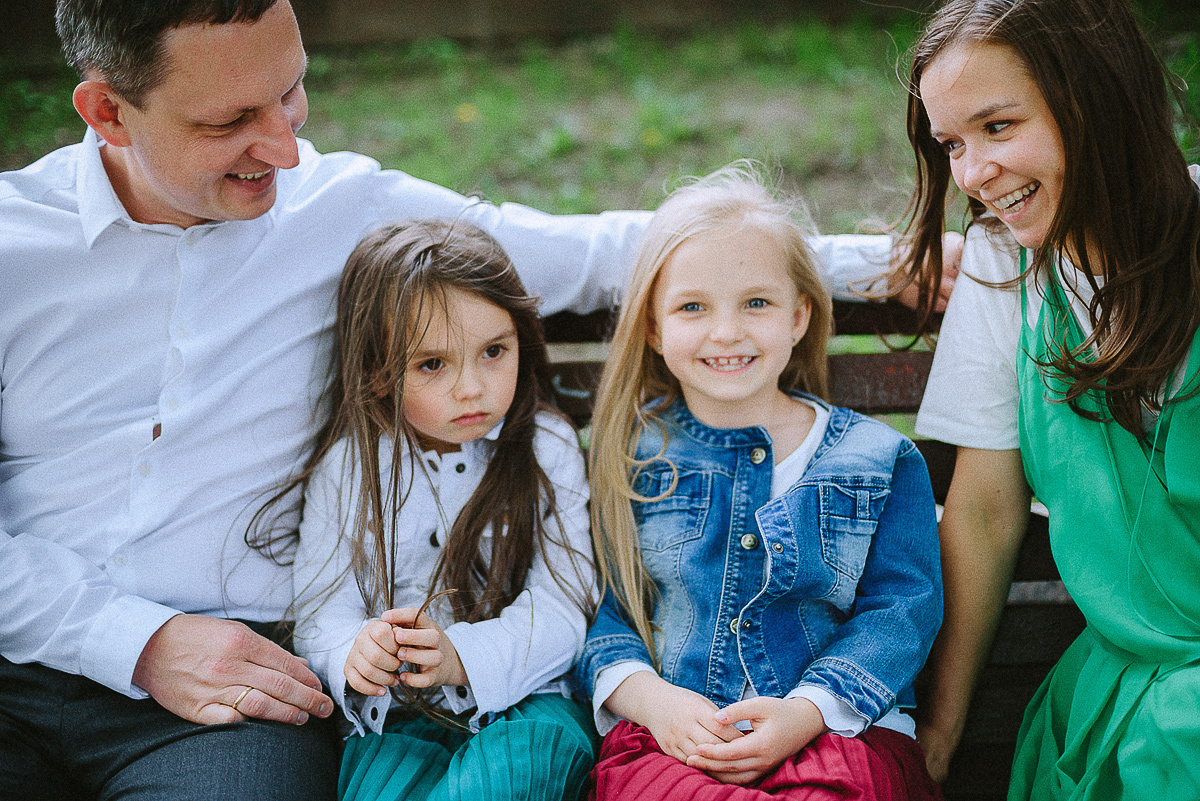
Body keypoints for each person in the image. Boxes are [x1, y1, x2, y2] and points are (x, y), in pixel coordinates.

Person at [0, 1, 956, 796]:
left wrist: (883, 264)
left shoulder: (344, 209)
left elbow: (600, 249)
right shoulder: (14, 252)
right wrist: (137, 640)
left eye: (290, 93)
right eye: (229, 123)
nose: (285, 150)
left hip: (244, 691)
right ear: (107, 111)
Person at [898, 0, 1200, 795]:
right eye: (953, 144)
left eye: (998, 127)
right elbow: (986, 512)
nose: (971, 172)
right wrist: (942, 730)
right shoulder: (1008, 277)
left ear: (1096, 98)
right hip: (1127, 693)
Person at [574, 165, 945, 799]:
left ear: (799, 317)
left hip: (839, 729)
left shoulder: (877, 460)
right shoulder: (630, 462)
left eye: (756, 303)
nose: (727, 331)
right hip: (678, 732)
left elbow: (900, 612)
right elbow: (607, 618)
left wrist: (807, 711)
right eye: (693, 307)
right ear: (655, 329)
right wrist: (660, 706)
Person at [275, 219, 597, 801]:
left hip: (526, 705)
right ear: (378, 374)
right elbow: (321, 609)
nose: (472, 387)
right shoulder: (352, 467)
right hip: (395, 719)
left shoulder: (544, 447)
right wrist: (356, 651)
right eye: (432, 365)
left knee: (504, 785)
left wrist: (463, 658)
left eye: (494, 352)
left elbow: (566, 603)